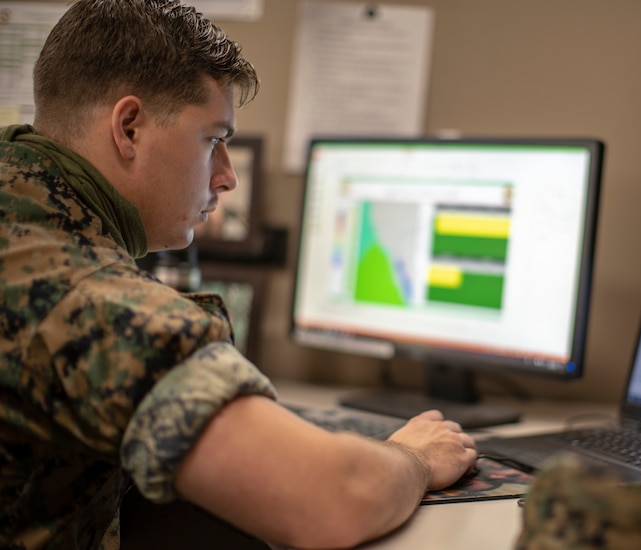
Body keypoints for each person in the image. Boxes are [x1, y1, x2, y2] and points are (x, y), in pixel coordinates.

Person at [0, 1, 477, 548]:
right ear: (128, 127)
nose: (227, 177)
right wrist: (415, 456)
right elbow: (333, 498)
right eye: (213, 139)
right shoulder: (80, 296)